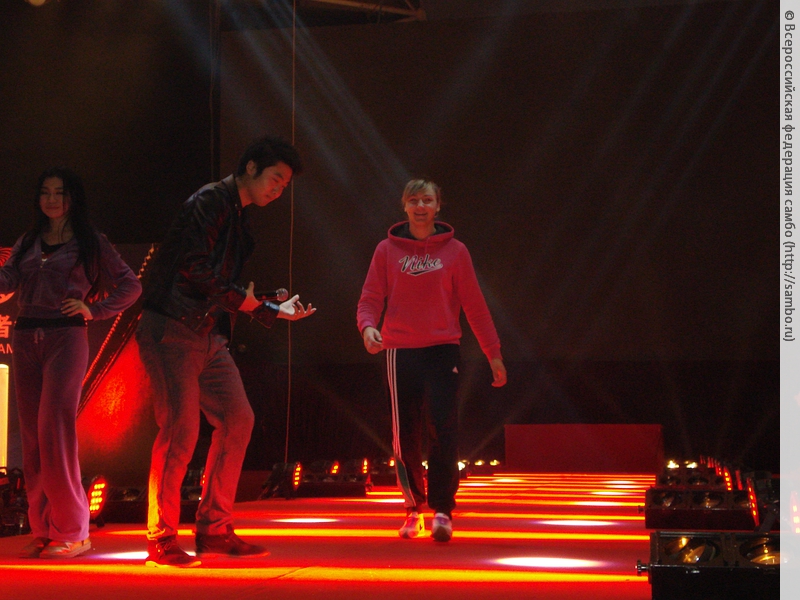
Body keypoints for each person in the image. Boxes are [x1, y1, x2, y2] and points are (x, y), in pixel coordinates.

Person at [136, 134, 315, 568]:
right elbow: (194, 268)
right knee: (180, 430)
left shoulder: (236, 213)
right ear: (251, 167)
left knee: (238, 419)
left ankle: (214, 529)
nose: (278, 190)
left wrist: (267, 305)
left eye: (284, 184)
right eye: (275, 179)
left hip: (207, 333)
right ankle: (162, 537)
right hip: (172, 326)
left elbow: (220, 283)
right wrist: (258, 306)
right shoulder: (212, 200)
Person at [0, 167, 142, 559]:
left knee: (53, 429)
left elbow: (131, 285)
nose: (51, 200)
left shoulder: (90, 241)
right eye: (45, 192)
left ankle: (74, 531)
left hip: (66, 338)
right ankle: (44, 528)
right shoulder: (28, 240)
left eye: (59, 193)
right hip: (25, 336)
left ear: (72, 198)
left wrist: (94, 310)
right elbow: (7, 280)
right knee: (32, 437)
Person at [357, 179, 507, 542]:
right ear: (404, 206)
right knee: (404, 433)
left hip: (442, 348)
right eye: (414, 200)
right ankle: (413, 509)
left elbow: (474, 305)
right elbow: (370, 297)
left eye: (427, 200)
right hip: (399, 350)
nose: (420, 206)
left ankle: (442, 509)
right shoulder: (386, 250)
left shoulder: (455, 251)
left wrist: (493, 354)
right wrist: (367, 328)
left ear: (438, 206)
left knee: (444, 427)